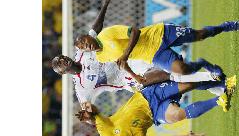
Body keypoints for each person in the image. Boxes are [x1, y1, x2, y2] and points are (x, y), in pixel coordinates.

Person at [74, 0, 238, 83]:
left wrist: (125, 54)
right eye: (82, 47)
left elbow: (135, 31)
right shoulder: (102, 58)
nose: (84, 45)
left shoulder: (107, 34)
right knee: (182, 70)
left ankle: (226, 26)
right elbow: (122, 62)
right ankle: (204, 64)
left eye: (83, 40)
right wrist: (134, 76)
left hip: (160, 33)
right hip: (153, 54)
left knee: (200, 35)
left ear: (89, 35)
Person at [75, 76, 236, 136]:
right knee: (176, 116)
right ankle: (220, 100)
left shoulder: (107, 132)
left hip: (148, 95)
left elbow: (94, 114)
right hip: (155, 114)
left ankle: (223, 83)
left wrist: (88, 114)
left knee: (188, 84)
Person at [51, 51, 223, 104]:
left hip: (130, 60)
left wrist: (106, 3)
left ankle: (211, 81)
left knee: (175, 66)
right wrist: (89, 117)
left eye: (62, 57)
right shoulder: (81, 87)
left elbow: (93, 33)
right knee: (169, 75)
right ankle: (211, 77)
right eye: (60, 63)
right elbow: (85, 107)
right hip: (128, 80)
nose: (64, 60)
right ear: (62, 72)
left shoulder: (81, 52)